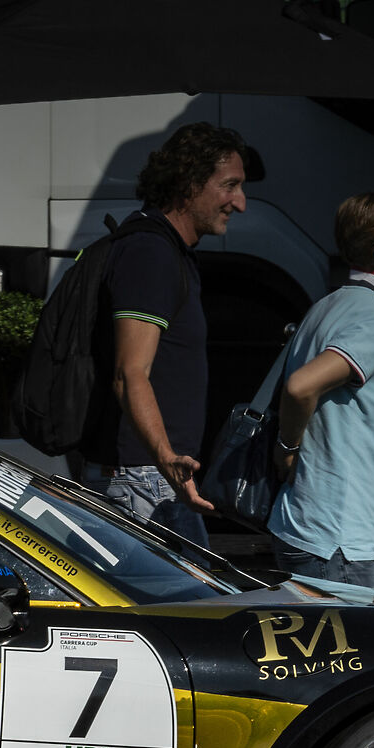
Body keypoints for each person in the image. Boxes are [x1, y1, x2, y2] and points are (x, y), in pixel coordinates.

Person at [91, 123, 253, 545]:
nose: (240, 203)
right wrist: (165, 459)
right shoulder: (150, 253)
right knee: (188, 607)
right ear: (188, 183)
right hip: (145, 480)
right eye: (230, 186)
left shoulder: (168, 251)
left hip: (158, 476)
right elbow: (130, 373)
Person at [264, 192, 374, 590]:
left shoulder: (327, 305)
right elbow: (301, 385)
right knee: (355, 652)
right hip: (339, 539)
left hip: (311, 528)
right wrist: (287, 448)